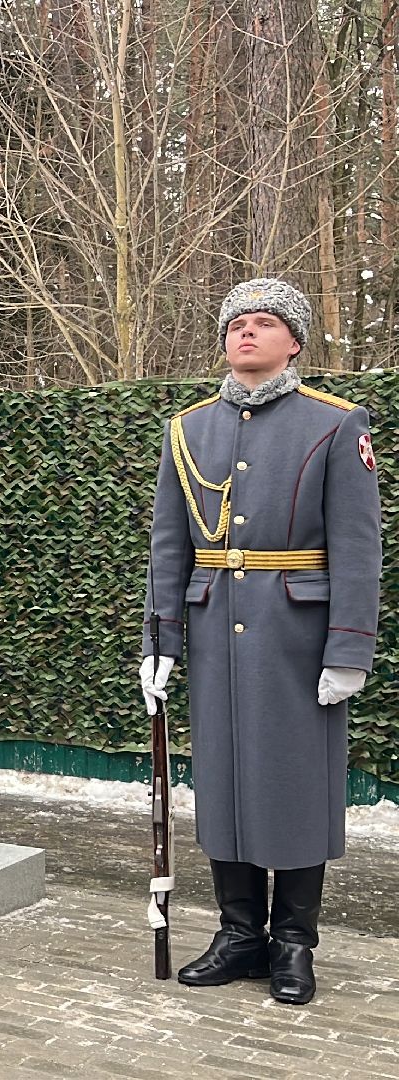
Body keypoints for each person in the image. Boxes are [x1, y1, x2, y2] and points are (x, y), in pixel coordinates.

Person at [141, 278, 381, 1007]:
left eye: (265, 322)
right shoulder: (187, 430)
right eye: (236, 323)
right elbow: (168, 544)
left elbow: (358, 545)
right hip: (215, 630)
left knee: (295, 788)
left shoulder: (336, 424)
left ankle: (293, 943)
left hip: (298, 636)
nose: (247, 332)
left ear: (294, 342)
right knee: (224, 784)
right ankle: (239, 933)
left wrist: (348, 650)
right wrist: (161, 641)